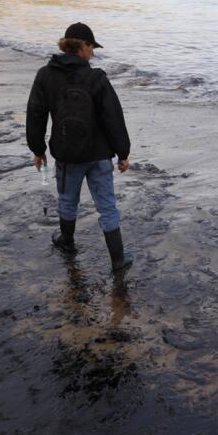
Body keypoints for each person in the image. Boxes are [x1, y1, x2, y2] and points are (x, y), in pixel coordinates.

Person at [26, 22, 134, 272]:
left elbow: (36, 113)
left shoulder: (45, 75)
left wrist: (38, 149)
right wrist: (123, 153)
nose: (93, 52)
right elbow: (113, 117)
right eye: (92, 47)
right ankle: (118, 261)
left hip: (66, 154)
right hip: (98, 156)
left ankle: (67, 241)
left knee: (67, 198)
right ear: (82, 46)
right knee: (107, 205)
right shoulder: (96, 78)